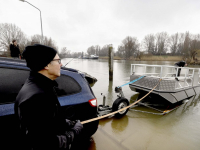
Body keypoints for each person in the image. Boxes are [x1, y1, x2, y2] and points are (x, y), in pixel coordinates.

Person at [14, 44, 83, 150]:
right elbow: (45, 144)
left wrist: (66, 123)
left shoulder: (41, 86)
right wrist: (73, 132)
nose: (61, 64)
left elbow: (47, 122)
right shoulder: (38, 98)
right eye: (58, 60)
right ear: (46, 64)